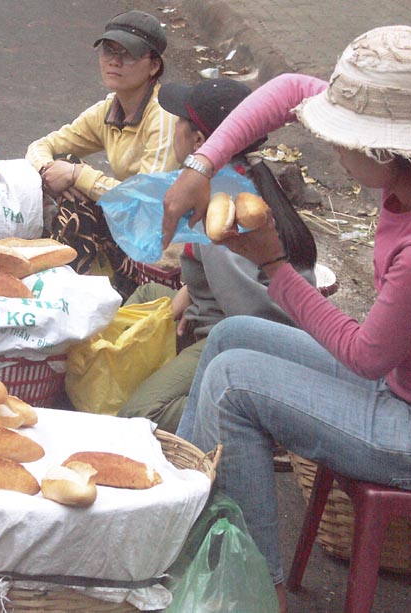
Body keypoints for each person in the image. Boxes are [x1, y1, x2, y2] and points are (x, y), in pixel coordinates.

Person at [161, 25, 411, 612]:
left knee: (235, 385)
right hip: (409, 389)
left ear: (385, 149)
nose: (334, 148)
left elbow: (365, 355)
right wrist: (202, 165)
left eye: (343, 140)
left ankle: (258, 590)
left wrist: (275, 267)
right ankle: (174, 520)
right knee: (231, 336)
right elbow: (287, 90)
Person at [116, 78, 316, 433]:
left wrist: (200, 322)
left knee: (140, 414)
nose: (173, 128)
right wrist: (192, 291)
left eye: (179, 121)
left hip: (241, 337)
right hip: (221, 314)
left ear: (198, 141)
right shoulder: (244, 172)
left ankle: (252, 424)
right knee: (148, 296)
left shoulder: (223, 205)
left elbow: (251, 313)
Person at [26, 10, 180, 297]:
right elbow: (40, 146)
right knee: (66, 176)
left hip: (167, 242)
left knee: (74, 177)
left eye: (129, 54)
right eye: (109, 50)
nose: (115, 61)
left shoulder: (164, 115)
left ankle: (75, 297)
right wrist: (49, 170)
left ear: (153, 66)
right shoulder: (109, 109)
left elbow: (146, 200)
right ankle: (68, 292)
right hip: (131, 228)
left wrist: (78, 174)